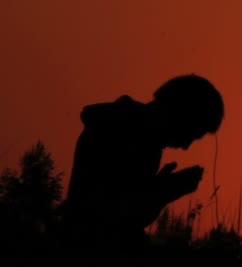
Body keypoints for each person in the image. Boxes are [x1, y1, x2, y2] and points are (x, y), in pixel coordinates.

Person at [62, 74, 224, 249]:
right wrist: (164, 189)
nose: (186, 146)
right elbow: (109, 216)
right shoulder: (119, 133)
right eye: (191, 133)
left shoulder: (142, 139)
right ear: (179, 114)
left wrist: (158, 187)